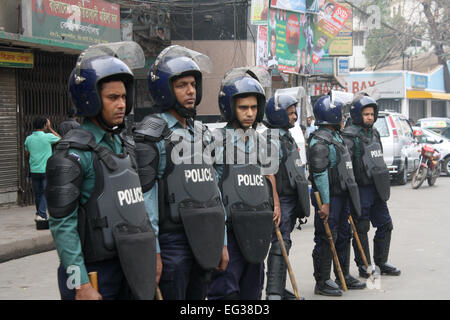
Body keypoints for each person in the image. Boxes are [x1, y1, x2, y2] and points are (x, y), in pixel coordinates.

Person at [46, 43, 157, 300]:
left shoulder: (126, 145)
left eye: (123, 96)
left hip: (130, 267)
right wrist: (80, 284)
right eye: (112, 98)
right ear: (90, 98)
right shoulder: (72, 154)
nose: (121, 104)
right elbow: (62, 226)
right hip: (94, 274)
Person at [134, 45, 228, 300]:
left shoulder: (201, 134)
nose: (190, 91)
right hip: (171, 242)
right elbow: (147, 201)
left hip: (205, 238)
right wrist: (152, 252)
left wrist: (222, 241)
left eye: (193, 85)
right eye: (182, 85)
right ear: (165, 90)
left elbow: (214, 193)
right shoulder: (152, 135)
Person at [206, 68, 280, 300]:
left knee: (253, 290)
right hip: (229, 230)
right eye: (243, 107)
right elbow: (211, 188)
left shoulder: (261, 140)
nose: (249, 113)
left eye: (253, 108)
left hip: (257, 226)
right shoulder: (216, 141)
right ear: (230, 108)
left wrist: (275, 203)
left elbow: (268, 174)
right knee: (226, 291)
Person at [307, 94, 366, 296]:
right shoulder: (320, 141)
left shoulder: (336, 136)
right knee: (325, 238)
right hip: (329, 199)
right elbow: (320, 174)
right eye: (340, 115)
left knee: (343, 235)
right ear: (331, 116)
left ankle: (343, 276)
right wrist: (325, 203)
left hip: (341, 197)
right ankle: (322, 281)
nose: (343, 118)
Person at [341, 94, 401, 278]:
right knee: (361, 228)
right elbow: (346, 165)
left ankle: (381, 262)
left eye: (372, 114)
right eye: (366, 114)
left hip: (376, 188)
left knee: (386, 224)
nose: (370, 117)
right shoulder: (349, 135)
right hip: (360, 189)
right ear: (358, 115)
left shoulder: (374, 133)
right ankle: (365, 265)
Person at [264, 93, 310, 300]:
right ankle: (274, 292)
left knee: (285, 242)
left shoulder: (286, 136)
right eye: (290, 113)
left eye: (294, 113)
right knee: (280, 243)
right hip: (280, 198)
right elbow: (269, 172)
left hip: (290, 199)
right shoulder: (272, 139)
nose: (294, 117)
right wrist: (275, 204)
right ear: (279, 115)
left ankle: (280, 289)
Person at [24, 117, 61, 225]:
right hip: (46, 170)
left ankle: (40, 214)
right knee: (45, 192)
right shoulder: (48, 137)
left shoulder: (29, 138)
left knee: (38, 193)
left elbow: (27, 153)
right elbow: (60, 138)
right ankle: (41, 214)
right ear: (45, 125)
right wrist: (50, 128)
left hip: (34, 170)